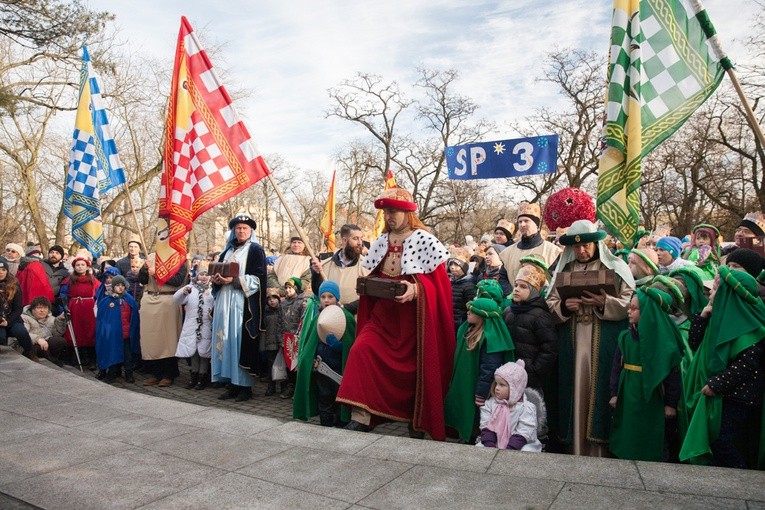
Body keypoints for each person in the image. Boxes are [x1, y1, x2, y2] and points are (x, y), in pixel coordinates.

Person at [336, 187, 455, 439]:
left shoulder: (426, 240)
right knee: (361, 351)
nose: (389, 216)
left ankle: (417, 420)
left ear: (407, 213)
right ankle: (361, 417)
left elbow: (441, 287)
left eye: (394, 211)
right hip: (383, 318)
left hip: (414, 321)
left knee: (415, 372)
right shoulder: (380, 242)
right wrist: (367, 284)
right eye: (386, 211)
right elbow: (376, 275)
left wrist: (417, 289)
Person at [546, 219, 635, 457]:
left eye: (586, 245)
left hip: (603, 339)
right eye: (576, 247)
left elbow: (630, 303)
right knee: (573, 387)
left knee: (601, 389)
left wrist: (604, 302)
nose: (581, 251)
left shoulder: (616, 268)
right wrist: (565, 306)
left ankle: (599, 449)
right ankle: (574, 445)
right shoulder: (564, 270)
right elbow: (551, 302)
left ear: (596, 244)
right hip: (572, 342)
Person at [680, 267, 765, 468]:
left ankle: (741, 478)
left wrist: (716, 384)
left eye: (716, 289)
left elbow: (746, 364)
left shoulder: (750, 326)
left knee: (722, 440)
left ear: (729, 294)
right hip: (722, 394)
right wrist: (703, 316)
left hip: (738, 397)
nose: (710, 292)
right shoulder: (718, 318)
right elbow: (694, 342)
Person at [608, 288, 682, 461]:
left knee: (651, 429)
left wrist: (670, 403)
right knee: (628, 427)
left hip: (652, 396)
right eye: (629, 307)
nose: (629, 311)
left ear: (648, 312)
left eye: (634, 308)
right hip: (628, 391)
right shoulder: (625, 337)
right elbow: (616, 368)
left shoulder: (664, 343)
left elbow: (672, 375)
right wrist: (614, 393)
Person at [211, 215, 267, 403]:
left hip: (242, 305)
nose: (241, 231)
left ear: (251, 231)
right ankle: (231, 384)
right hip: (223, 303)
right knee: (225, 342)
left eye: (244, 228)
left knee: (238, 341)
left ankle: (244, 386)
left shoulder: (255, 250)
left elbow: (259, 279)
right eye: (238, 228)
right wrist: (217, 280)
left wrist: (233, 281)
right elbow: (217, 272)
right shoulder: (227, 250)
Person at [444, 297, 514, 443]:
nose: (468, 312)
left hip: (478, 390)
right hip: (467, 384)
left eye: (472, 310)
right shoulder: (469, 330)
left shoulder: (489, 338)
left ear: (482, 316)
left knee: (475, 420)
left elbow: (488, 369)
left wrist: (481, 393)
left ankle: (472, 441)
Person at [293, 280, 357, 427]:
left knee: (339, 398)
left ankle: (341, 424)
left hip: (339, 370)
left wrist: (339, 346)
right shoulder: (318, 318)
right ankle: (326, 425)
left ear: (337, 298)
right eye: (323, 297)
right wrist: (310, 359)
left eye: (330, 297)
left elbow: (350, 346)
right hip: (321, 368)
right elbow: (310, 343)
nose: (326, 300)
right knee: (324, 397)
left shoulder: (346, 317)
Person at [503, 264, 558, 393]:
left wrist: (534, 371)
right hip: (508, 373)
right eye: (516, 285)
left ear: (533, 291)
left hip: (530, 378)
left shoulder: (540, 316)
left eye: (523, 287)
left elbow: (549, 349)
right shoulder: (508, 312)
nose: (516, 289)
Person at [139, 248, 187, 388]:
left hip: (167, 300)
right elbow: (141, 280)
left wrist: (158, 274)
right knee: (151, 340)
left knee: (168, 340)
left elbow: (178, 280)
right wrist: (144, 269)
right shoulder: (150, 257)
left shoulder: (179, 258)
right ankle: (155, 372)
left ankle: (169, 373)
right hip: (150, 299)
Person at [476, 360, 543, 451]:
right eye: (496, 383)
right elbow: (486, 424)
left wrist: (510, 449)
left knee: (526, 452)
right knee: (479, 449)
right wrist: (490, 444)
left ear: (515, 388)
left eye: (502, 385)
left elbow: (524, 431)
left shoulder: (525, 408)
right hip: (494, 441)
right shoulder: (491, 403)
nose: (497, 388)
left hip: (520, 443)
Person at [309, 223, 370, 314]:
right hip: (330, 319)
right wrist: (316, 274)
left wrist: (345, 308)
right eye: (355, 238)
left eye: (361, 238)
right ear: (344, 240)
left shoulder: (367, 267)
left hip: (355, 321)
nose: (360, 243)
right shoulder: (325, 264)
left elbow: (369, 298)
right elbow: (318, 291)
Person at [498, 202, 561, 284]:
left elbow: (555, 280)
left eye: (526, 221)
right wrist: (512, 294)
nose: (522, 224)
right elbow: (503, 278)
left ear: (536, 224)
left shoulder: (552, 251)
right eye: (520, 222)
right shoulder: (508, 252)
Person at [95, 275, 140, 383]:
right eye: (117, 285)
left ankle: (129, 374)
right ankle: (112, 373)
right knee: (112, 353)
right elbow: (102, 319)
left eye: (122, 285)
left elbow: (134, 318)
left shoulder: (129, 299)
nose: (120, 288)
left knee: (127, 356)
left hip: (126, 334)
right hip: (112, 335)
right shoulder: (106, 301)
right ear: (113, 287)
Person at [174, 269, 214, 390]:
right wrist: (183, 292)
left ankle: (202, 378)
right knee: (193, 352)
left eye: (206, 274)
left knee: (204, 352)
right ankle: (194, 377)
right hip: (192, 325)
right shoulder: (190, 288)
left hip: (206, 325)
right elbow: (176, 300)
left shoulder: (212, 290)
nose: (203, 277)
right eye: (201, 274)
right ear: (197, 276)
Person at [60, 257, 100, 367]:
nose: (80, 267)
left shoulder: (93, 280)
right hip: (75, 308)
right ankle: (76, 358)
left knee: (90, 331)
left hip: (89, 308)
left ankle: (92, 359)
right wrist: (65, 307)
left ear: (87, 267)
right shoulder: (69, 280)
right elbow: (63, 294)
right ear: (74, 267)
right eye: (78, 265)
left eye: (83, 265)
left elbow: (99, 293)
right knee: (76, 331)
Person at [0, 259, 37, 361]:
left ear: (7, 271)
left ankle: (30, 352)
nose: (1, 272)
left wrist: (8, 321)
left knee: (21, 332)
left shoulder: (14, 285)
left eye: (3, 269)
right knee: (1, 336)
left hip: (12, 318)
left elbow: (18, 308)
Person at [280, 276, 309, 398]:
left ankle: (298, 388)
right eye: (286, 288)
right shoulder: (284, 303)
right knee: (288, 365)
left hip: (297, 338)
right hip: (286, 338)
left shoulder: (301, 303)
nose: (287, 290)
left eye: (290, 287)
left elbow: (303, 321)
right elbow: (280, 321)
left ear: (296, 288)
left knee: (297, 365)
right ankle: (290, 386)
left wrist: (300, 336)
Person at [20, 296, 67, 366]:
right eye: (39, 308)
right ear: (32, 309)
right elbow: (23, 333)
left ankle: (52, 359)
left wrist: (60, 320)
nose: (42, 310)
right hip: (29, 345)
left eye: (45, 308)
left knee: (60, 341)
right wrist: (38, 339)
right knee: (41, 349)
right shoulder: (24, 318)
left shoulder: (51, 318)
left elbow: (57, 334)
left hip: (46, 342)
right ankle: (54, 361)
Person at [262, 287, 287, 396]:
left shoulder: (282, 310)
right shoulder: (265, 312)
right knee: (270, 365)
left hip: (280, 342)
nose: (272, 301)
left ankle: (283, 387)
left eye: (274, 298)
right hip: (269, 342)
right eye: (269, 299)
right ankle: (271, 386)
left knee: (282, 365)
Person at [448, 251, 476, 333]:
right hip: (451, 322)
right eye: (451, 264)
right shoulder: (451, 281)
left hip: (461, 324)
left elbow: (471, 307)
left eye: (456, 265)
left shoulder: (469, 285)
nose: (452, 267)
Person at [43, 245, 70, 314]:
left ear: (61, 256)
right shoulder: (40, 265)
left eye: (57, 253)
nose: (54, 254)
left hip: (54, 304)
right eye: (52, 252)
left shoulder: (65, 273)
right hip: (39, 300)